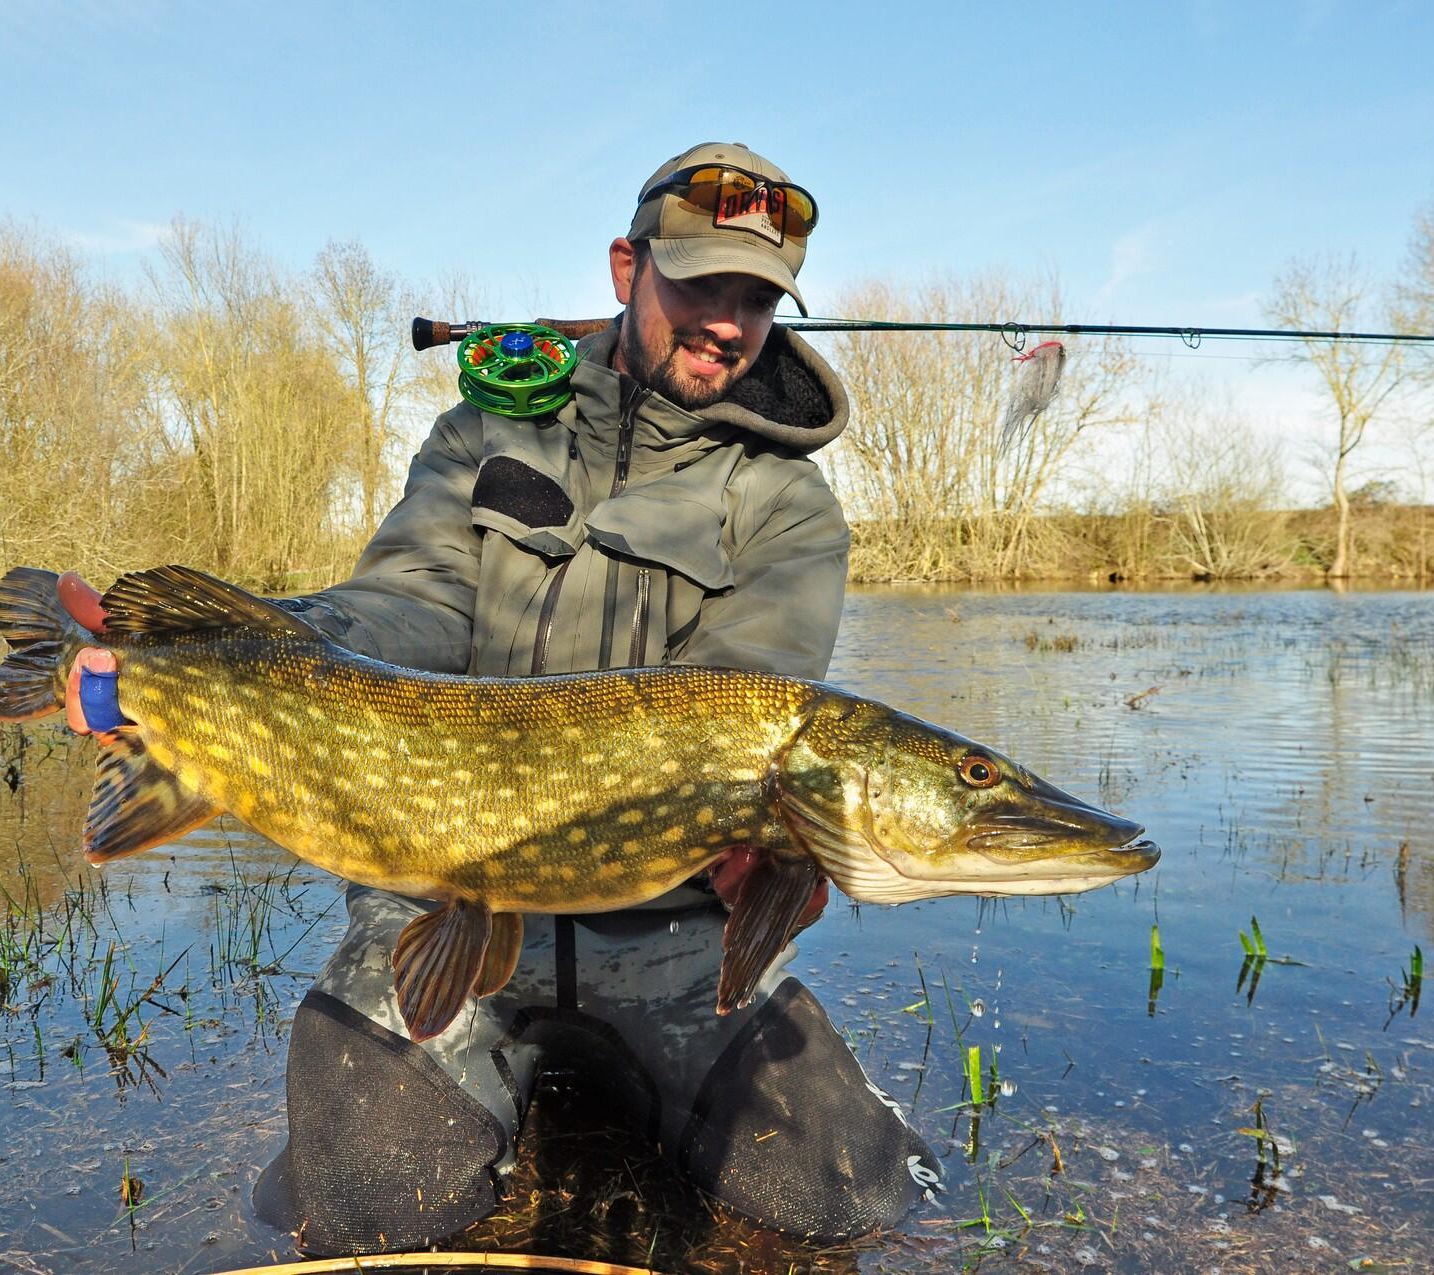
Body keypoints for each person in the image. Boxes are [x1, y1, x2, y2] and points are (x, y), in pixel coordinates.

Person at [58, 142, 944, 1254]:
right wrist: (247, 653)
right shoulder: (485, 432)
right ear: (628, 268)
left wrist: (782, 860)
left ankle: (621, 1093)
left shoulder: (788, 507)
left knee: (843, 1194)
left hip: (671, 940)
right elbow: (406, 601)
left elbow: (746, 705)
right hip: (437, 898)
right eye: (701, 284)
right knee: (367, 1197)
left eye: (758, 298)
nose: (729, 320)